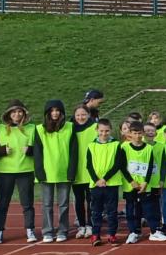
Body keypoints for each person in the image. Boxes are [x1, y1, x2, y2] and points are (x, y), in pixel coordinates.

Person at [0, 100, 37, 244]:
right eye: (13, 112)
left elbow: (40, 149)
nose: (17, 114)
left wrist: (30, 150)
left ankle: (30, 230)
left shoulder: (32, 128)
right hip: (5, 171)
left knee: (27, 203)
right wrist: (2, 150)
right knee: (2, 204)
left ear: (24, 113)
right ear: (8, 114)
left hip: (26, 170)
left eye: (19, 111)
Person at [32, 99, 78, 243]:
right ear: (47, 113)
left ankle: (62, 231)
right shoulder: (39, 129)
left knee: (64, 204)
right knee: (47, 204)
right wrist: (39, 171)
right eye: (52, 110)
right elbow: (37, 152)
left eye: (57, 110)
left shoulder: (70, 127)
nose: (55, 113)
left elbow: (74, 151)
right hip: (47, 172)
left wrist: (72, 171)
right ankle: (47, 231)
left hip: (64, 172)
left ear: (62, 112)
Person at [116, 121, 166, 243]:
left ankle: (154, 231)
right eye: (135, 133)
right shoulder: (124, 147)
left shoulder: (149, 148)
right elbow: (122, 166)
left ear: (143, 133)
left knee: (149, 208)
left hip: (144, 185)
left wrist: (145, 182)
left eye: (139, 133)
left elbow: (150, 166)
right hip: (130, 185)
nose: (137, 136)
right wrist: (131, 181)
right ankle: (134, 232)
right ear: (130, 134)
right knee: (131, 209)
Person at [84, 119, 122, 246]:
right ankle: (96, 235)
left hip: (111, 183)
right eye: (101, 131)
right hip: (96, 185)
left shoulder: (116, 145)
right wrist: (97, 180)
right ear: (97, 130)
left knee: (112, 211)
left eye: (106, 131)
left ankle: (112, 235)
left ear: (110, 130)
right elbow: (89, 165)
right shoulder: (91, 145)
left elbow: (117, 164)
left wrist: (105, 179)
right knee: (96, 211)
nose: (104, 133)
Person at [70, 105, 97, 239]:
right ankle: (81, 226)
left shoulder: (95, 128)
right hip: (76, 171)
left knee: (91, 200)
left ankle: (90, 225)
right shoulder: (70, 129)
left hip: (91, 171)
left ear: (88, 115)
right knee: (79, 200)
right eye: (78, 115)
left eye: (83, 114)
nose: (81, 117)